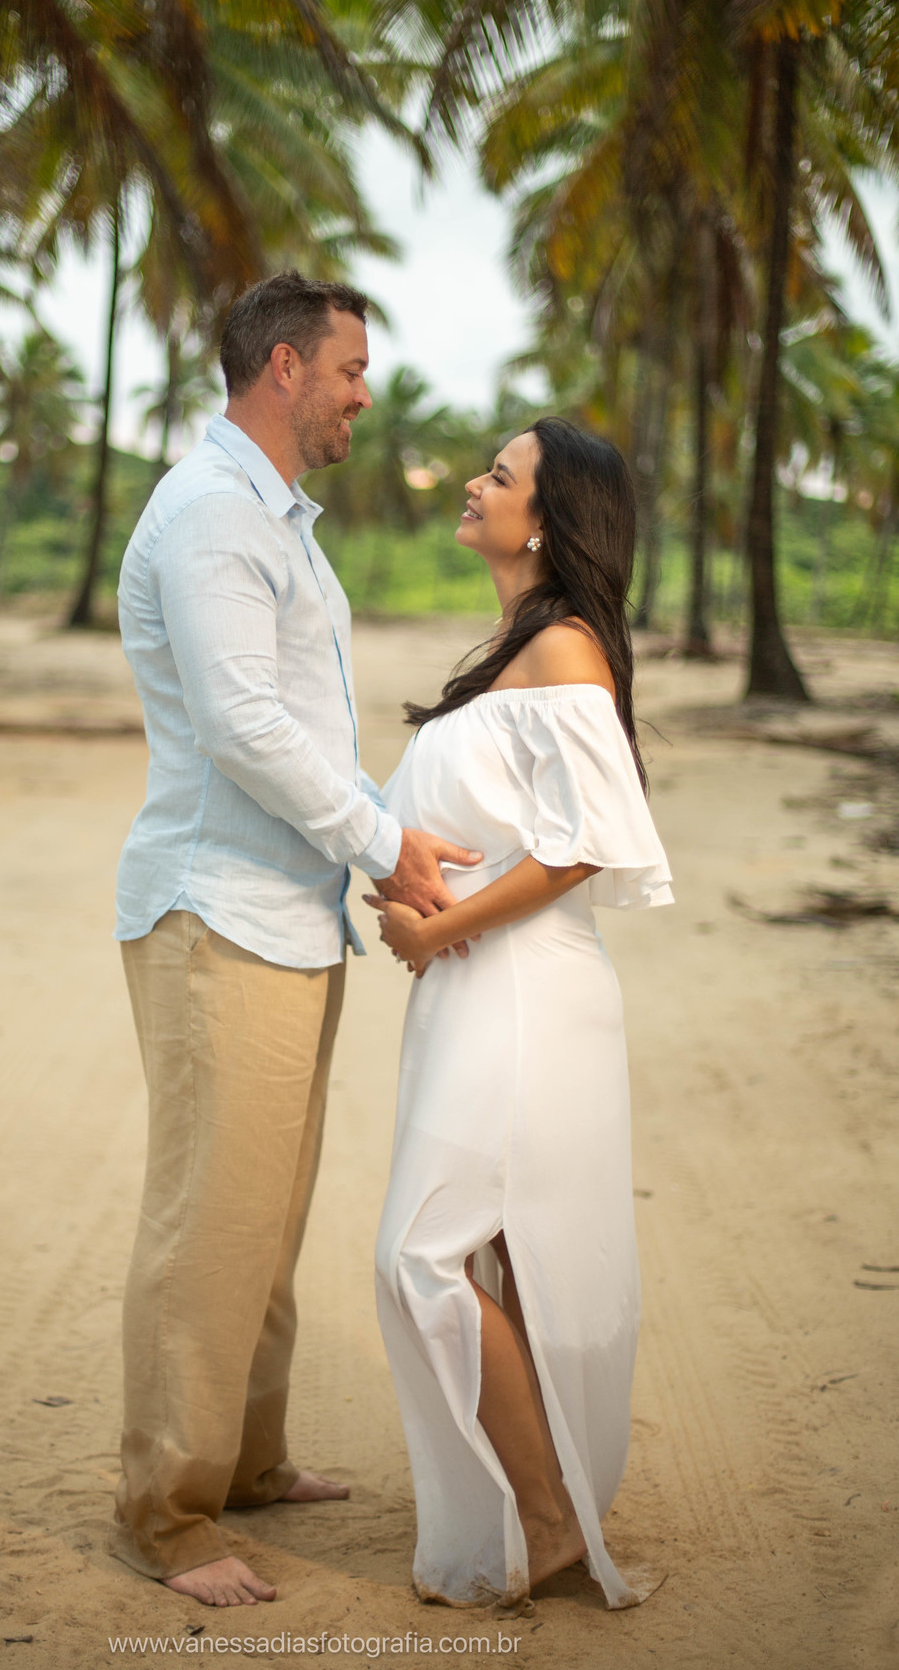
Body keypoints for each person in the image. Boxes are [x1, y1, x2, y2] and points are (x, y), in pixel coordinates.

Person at [112, 270, 480, 1609]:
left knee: (263, 1216)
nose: (363, 396)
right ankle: (165, 1514)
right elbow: (245, 728)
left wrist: (395, 836)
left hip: (282, 917)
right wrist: (384, 845)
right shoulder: (215, 513)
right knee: (210, 1223)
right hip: (216, 914)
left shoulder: (274, 520)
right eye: (350, 370)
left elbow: (310, 733)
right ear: (284, 366)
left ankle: (249, 1461)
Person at [365, 417, 672, 1611]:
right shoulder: (511, 649)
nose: (474, 483)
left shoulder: (566, 650)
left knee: (422, 1253)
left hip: (523, 991)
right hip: (473, 987)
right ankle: (546, 1508)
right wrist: (405, 885)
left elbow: (583, 846)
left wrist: (432, 930)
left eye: (500, 475)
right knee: (494, 1254)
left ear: (548, 519)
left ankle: (545, 1520)